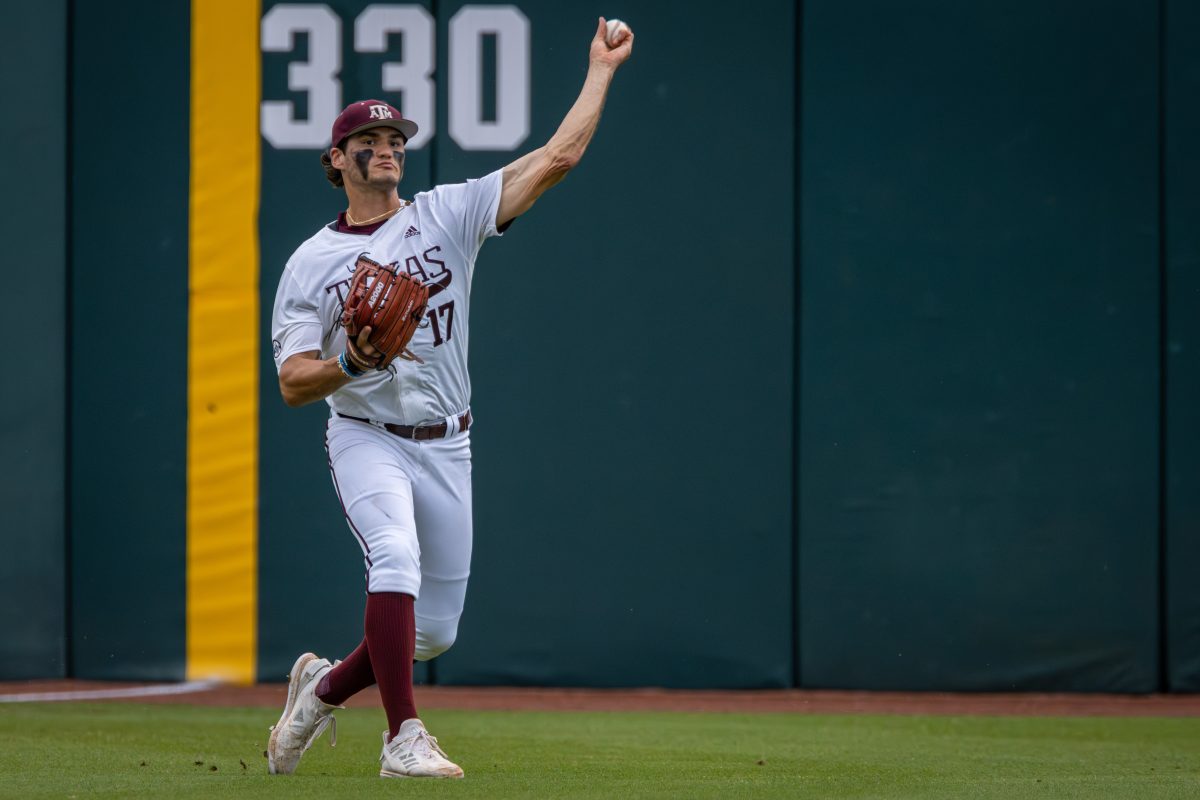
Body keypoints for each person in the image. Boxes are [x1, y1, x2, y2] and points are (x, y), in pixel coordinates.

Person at [265, 17, 633, 780]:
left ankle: (321, 689)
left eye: (397, 137)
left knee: (432, 634)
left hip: (450, 440)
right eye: (371, 139)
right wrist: (348, 361)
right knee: (393, 556)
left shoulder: (447, 213)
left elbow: (558, 157)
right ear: (338, 160)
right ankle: (404, 737)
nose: (389, 147)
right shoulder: (311, 263)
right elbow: (294, 383)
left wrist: (600, 70)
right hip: (367, 433)